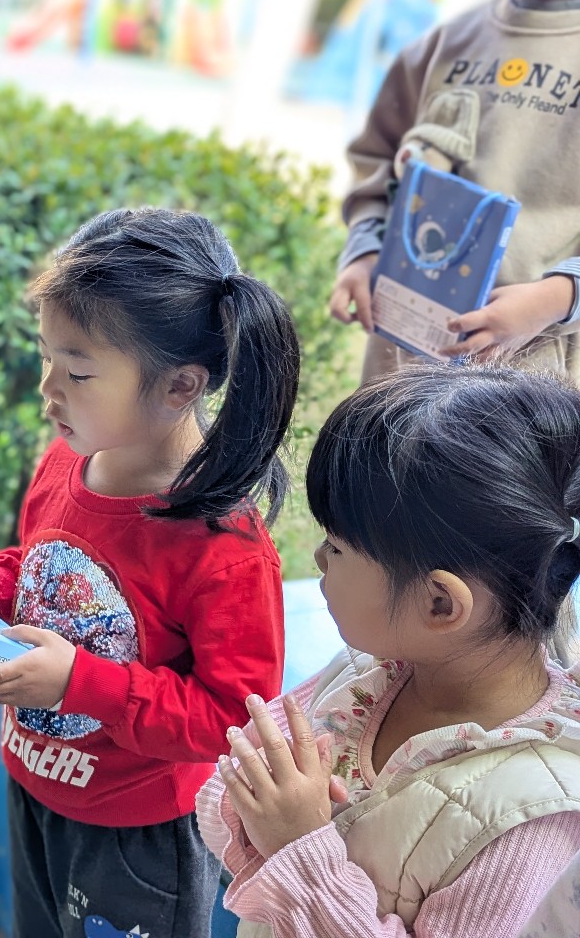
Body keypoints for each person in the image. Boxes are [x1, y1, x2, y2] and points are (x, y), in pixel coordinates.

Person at [0, 208, 302, 938]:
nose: (48, 388)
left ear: (179, 387)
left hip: (137, 839)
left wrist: (79, 684)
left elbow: (233, 716)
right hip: (34, 790)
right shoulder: (64, 460)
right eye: (46, 357)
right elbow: (43, 563)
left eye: (78, 372)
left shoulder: (223, 546)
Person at [199, 363, 580, 937]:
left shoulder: (532, 821)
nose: (319, 559)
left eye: (337, 546)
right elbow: (226, 789)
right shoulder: (366, 673)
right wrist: (271, 811)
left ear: (439, 604)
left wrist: (300, 850)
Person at [329, 0, 580, 383]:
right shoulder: (441, 46)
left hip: (532, 390)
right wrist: (366, 249)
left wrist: (556, 298)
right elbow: (376, 162)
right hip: (396, 373)